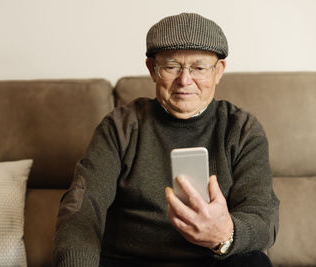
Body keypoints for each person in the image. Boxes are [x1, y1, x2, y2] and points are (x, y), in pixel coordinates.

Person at [52, 13, 279, 267]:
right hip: (129, 259)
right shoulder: (120, 127)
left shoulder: (242, 129)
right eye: (171, 67)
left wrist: (225, 235)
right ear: (152, 70)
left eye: (199, 68)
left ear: (218, 72)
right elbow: (83, 205)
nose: (185, 80)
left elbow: (263, 217)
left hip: (214, 259)